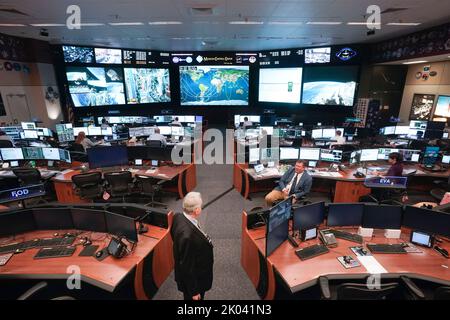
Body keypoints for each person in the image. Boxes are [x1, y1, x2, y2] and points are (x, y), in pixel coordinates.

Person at [171, 192, 214, 300]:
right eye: (200, 206)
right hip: (195, 281)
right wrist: (194, 292)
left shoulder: (178, 216)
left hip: (194, 269)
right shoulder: (188, 236)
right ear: (196, 210)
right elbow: (187, 267)